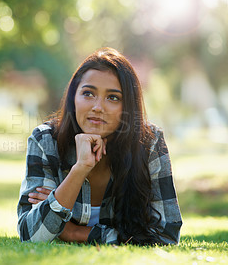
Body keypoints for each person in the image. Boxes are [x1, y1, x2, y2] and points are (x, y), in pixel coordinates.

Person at [17, 47, 182, 245]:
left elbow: (166, 235)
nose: (97, 107)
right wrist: (80, 169)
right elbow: (31, 235)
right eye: (88, 93)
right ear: (73, 98)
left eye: (113, 97)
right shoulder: (45, 140)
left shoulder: (149, 142)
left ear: (127, 106)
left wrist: (75, 233)